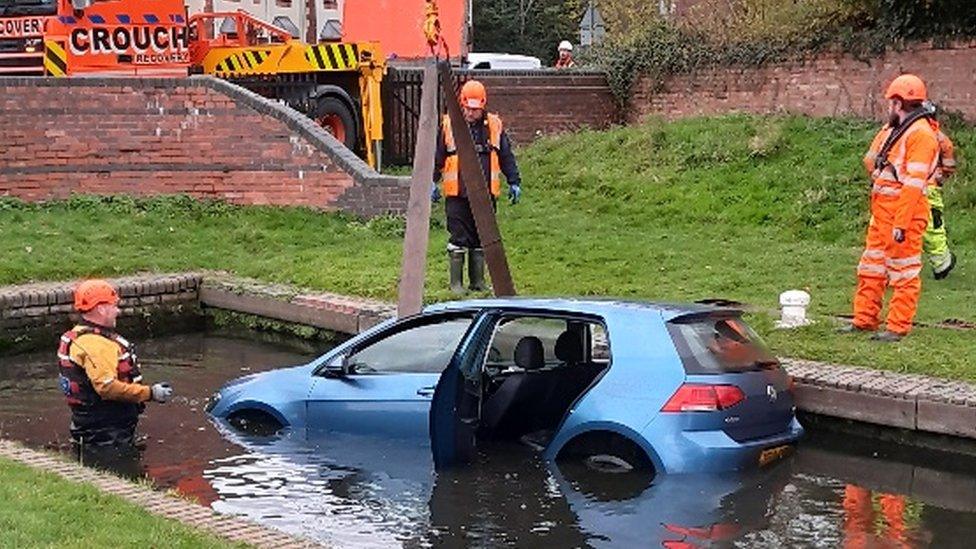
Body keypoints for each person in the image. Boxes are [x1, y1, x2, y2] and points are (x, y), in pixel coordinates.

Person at [842, 74, 939, 342]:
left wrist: (900, 224)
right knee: (870, 268)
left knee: (904, 272)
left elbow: (913, 186)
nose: (888, 108)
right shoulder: (894, 130)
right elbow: (870, 161)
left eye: (890, 103)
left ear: (898, 102)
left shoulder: (921, 135)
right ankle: (864, 320)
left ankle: (897, 327)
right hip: (883, 212)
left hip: (903, 213)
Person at [58, 279, 173, 447]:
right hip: (106, 433)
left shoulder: (78, 335)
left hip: (89, 425)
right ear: (101, 308)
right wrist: (150, 393)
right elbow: (107, 387)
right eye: (113, 306)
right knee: (119, 469)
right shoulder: (97, 345)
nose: (117, 311)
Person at [432, 80, 522, 294]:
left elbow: (506, 155)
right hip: (457, 193)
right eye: (468, 109)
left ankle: (477, 282)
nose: (472, 113)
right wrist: (431, 181)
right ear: (461, 104)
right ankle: (456, 285)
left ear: (483, 106)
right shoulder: (448, 125)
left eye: (476, 109)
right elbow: (438, 156)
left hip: (485, 192)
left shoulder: (494, 125)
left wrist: (514, 180)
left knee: (481, 236)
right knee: (458, 236)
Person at [922, 104, 958, 279]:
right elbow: (949, 165)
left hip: (907, 188)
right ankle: (941, 264)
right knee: (934, 227)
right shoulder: (940, 138)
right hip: (930, 189)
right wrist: (940, 178)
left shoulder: (902, 134)